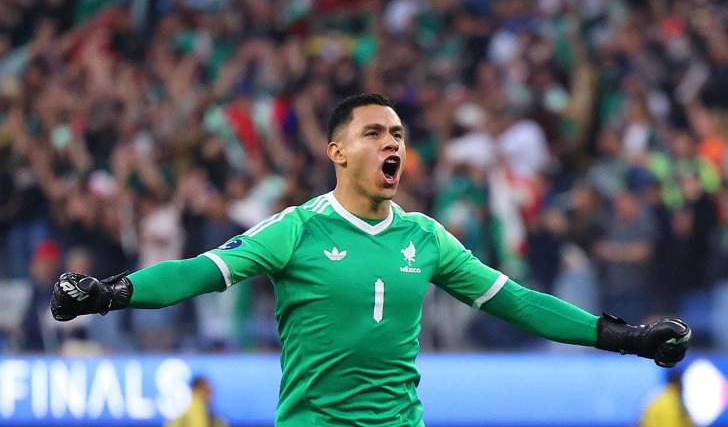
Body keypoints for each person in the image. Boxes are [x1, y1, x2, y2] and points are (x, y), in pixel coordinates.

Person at [50, 94, 691, 426]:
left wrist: (624, 337)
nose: (393, 144)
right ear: (337, 152)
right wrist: (108, 293)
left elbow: (520, 303)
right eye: (375, 133)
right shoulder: (297, 229)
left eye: (399, 135)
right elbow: (199, 272)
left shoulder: (426, 237)